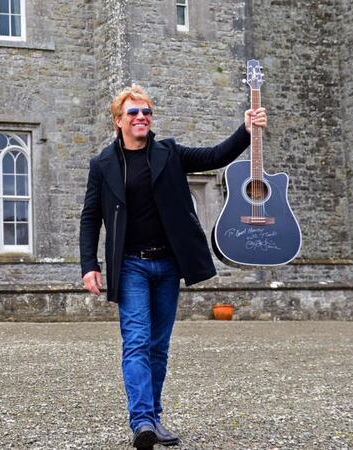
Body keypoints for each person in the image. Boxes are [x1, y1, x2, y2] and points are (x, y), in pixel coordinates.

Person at [79, 84, 267, 449]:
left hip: (167, 264)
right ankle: (142, 422)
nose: (141, 117)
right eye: (133, 112)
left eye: (146, 111)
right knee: (136, 341)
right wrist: (89, 265)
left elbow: (216, 156)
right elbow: (90, 217)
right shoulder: (103, 164)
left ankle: (154, 416)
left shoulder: (169, 153)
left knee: (158, 346)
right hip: (130, 265)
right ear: (118, 120)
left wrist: (246, 129)